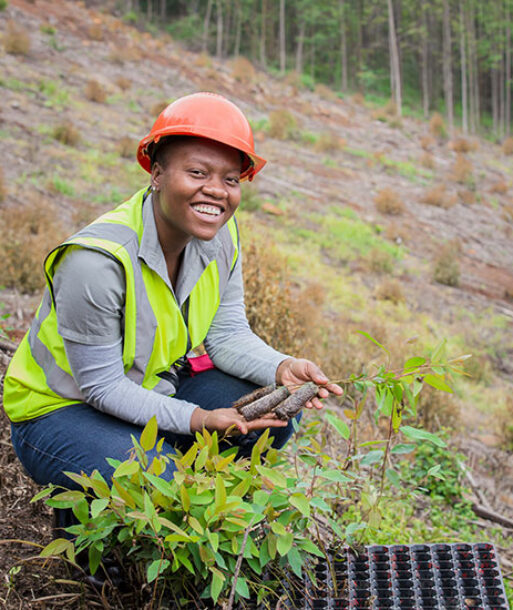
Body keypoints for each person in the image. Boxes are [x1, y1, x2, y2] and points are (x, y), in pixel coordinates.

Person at [3, 92, 342, 519]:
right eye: (197, 172)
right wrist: (198, 418)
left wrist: (282, 367)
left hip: (149, 389)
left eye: (231, 179)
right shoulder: (96, 262)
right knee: (157, 478)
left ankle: (194, 515)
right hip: (60, 412)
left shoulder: (220, 237)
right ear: (157, 173)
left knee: (273, 410)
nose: (216, 192)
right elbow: (101, 387)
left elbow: (226, 334)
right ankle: (83, 527)